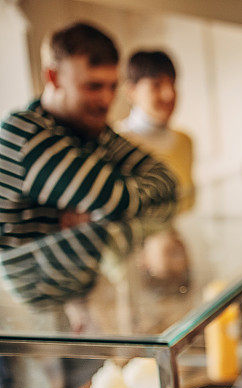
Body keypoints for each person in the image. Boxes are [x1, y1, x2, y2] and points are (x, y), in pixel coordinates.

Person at [0, 22, 177, 250]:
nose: (107, 100)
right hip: (30, 285)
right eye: (93, 86)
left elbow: (166, 179)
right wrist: (106, 206)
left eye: (112, 86)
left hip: (83, 281)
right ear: (53, 77)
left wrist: (95, 212)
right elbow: (117, 202)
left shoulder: (91, 130)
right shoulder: (24, 132)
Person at [117, 50, 195, 211]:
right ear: (131, 91)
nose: (169, 94)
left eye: (172, 83)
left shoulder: (185, 140)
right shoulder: (117, 142)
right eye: (156, 85)